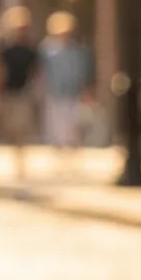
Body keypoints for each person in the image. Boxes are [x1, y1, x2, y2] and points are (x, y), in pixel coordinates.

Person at [38, 13, 95, 166]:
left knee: (73, 124)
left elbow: (84, 71)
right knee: (56, 125)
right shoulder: (47, 50)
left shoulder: (78, 51)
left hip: (73, 92)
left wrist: (86, 90)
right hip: (55, 92)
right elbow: (42, 72)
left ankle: (72, 153)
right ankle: (59, 153)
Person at [0, 7, 41, 179]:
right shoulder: (4, 50)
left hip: (23, 93)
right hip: (7, 93)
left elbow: (36, 72)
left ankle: (20, 159)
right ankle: (15, 153)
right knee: (8, 129)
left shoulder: (31, 50)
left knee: (21, 128)